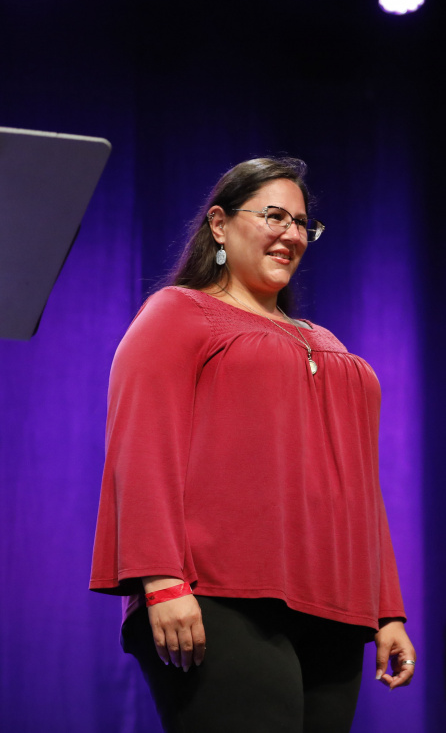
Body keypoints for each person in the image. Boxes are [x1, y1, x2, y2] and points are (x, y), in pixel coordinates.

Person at [90, 157, 415, 733]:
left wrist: (387, 609)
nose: (292, 234)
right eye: (274, 216)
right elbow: (140, 451)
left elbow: (362, 483)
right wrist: (161, 580)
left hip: (335, 604)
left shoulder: (324, 339)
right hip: (217, 596)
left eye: (302, 223)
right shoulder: (179, 312)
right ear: (219, 224)